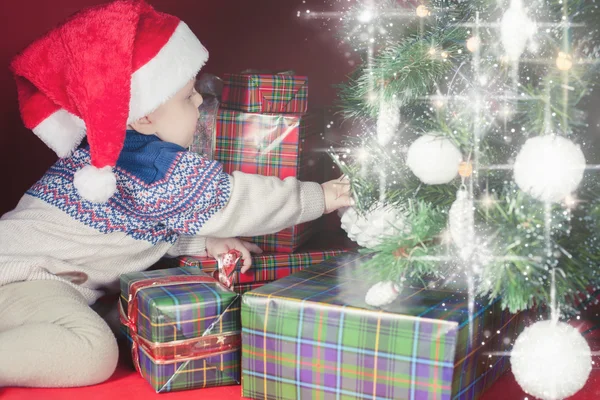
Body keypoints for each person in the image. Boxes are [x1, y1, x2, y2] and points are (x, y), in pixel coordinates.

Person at [0, 0, 352, 388]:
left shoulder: (116, 156)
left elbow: (142, 224)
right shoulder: (155, 164)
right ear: (144, 115)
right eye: (187, 97)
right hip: (20, 277)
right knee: (92, 351)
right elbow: (233, 201)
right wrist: (321, 196)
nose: (200, 102)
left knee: (106, 323)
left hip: (24, 271)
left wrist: (207, 242)